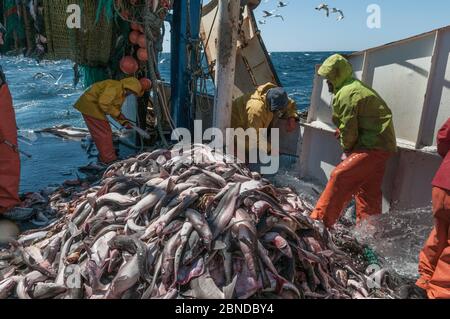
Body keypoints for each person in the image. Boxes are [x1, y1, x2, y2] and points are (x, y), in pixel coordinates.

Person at [310, 54, 397, 228]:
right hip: (382, 145)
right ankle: (368, 233)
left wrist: (347, 147)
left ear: (336, 76)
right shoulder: (353, 87)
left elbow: (349, 132)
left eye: (329, 77)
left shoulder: (346, 93)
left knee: (340, 176)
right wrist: (343, 132)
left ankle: (318, 223)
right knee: (367, 192)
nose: (327, 82)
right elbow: (355, 122)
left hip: (372, 146)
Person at [74, 77, 144, 165]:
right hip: (90, 105)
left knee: (104, 132)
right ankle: (108, 160)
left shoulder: (121, 94)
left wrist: (124, 122)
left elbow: (114, 109)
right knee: (103, 133)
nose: (131, 94)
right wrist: (118, 114)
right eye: (132, 92)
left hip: (93, 107)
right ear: (128, 87)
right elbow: (103, 103)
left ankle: (105, 157)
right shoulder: (114, 86)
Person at [416, 118, 450, 299]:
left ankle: (423, 281)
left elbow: (443, 138)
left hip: (442, 184)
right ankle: (440, 294)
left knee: (439, 233)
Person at [230, 82, 298, 157]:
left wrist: (292, 117)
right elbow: (253, 136)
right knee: (249, 145)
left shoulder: (278, 95)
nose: (278, 112)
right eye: (275, 110)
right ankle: (235, 149)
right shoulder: (256, 110)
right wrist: (270, 149)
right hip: (236, 127)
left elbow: (290, 104)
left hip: (253, 122)